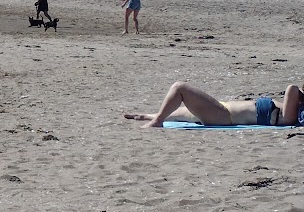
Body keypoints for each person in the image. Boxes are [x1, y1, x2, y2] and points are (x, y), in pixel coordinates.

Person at [126, 82, 302, 129]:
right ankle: (149, 116)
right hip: (223, 109)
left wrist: (301, 94)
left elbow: (292, 89)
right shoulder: (289, 110)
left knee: (180, 88)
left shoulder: (288, 117)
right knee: (178, 114)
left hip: (224, 116)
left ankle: (156, 121)